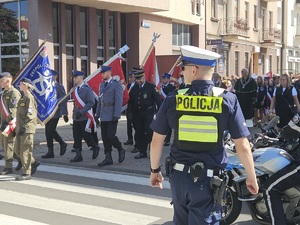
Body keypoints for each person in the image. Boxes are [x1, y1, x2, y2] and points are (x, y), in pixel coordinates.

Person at [149, 46, 258, 225]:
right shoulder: (227, 100)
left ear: (194, 69)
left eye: (183, 68)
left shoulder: (174, 99)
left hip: (179, 179)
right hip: (208, 182)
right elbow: (243, 145)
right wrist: (251, 176)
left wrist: (155, 171)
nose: (181, 72)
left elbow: (156, 141)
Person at [128, 68, 162, 159]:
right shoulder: (134, 88)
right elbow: (131, 102)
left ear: (144, 77)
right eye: (137, 79)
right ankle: (143, 152)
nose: (138, 81)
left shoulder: (151, 87)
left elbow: (158, 100)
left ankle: (153, 152)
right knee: (140, 133)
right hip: (138, 114)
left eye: (140, 78)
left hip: (149, 113)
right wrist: (130, 113)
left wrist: (160, 113)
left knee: (149, 132)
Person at [95, 66, 125, 167]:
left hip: (112, 114)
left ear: (109, 72)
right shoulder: (102, 85)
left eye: (103, 73)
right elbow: (100, 101)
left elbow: (119, 100)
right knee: (104, 137)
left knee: (110, 135)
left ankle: (120, 148)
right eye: (101, 73)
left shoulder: (116, 85)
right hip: (104, 114)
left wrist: (117, 114)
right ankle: (108, 157)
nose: (102, 75)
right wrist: (97, 114)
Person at [70, 70, 100, 162]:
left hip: (84, 116)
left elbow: (91, 102)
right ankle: (78, 155)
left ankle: (95, 147)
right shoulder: (75, 89)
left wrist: (82, 111)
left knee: (85, 135)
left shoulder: (87, 89)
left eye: (75, 77)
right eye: (73, 77)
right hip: (76, 116)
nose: (74, 79)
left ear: (81, 77)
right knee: (76, 136)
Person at [14, 78, 40, 181]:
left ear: (25, 85)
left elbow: (31, 114)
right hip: (20, 127)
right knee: (17, 150)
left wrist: (24, 126)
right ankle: (33, 162)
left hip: (27, 128)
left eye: (20, 84)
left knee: (25, 150)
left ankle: (26, 173)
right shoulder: (23, 97)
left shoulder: (29, 97)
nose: (19, 86)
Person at [42, 70, 68, 158]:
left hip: (55, 112)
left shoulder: (59, 87)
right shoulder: (46, 86)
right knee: (47, 132)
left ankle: (62, 143)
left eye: (51, 76)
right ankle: (50, 151)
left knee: (51, 130)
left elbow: (64, 98)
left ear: (55, 76)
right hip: (47, 113)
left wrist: (65, 113)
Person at [0, 72, 21, 175]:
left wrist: (8, 123)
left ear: (8, 81)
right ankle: (21, 159)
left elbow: (13, 110)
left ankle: (8, 167)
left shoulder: (14, 93)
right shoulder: (4, 92)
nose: (0, 83)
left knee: (8, 145)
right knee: (5, 145)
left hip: (10, 124)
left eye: (1, 81)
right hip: (3, 124)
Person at [161, 73, 176, 146]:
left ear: (168, 79)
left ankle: (168, 139)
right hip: (161, 107)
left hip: (169, 108)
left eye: (165, 78)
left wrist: (161, 93)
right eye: (163, 78)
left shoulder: (171, 87)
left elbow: (170, 97)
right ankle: (164, 138)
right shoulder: (160, 87)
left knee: (168, 124)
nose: (163, 80)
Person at [124, 71, 135, 146]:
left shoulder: (136, 86)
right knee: (128, 124)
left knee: (136, 125)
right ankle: (130, 138)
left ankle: (137, 141)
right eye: (129, 77)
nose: (130, 79)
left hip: (135, 107)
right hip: (129, 107)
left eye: (132, 77)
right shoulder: (128, 86)